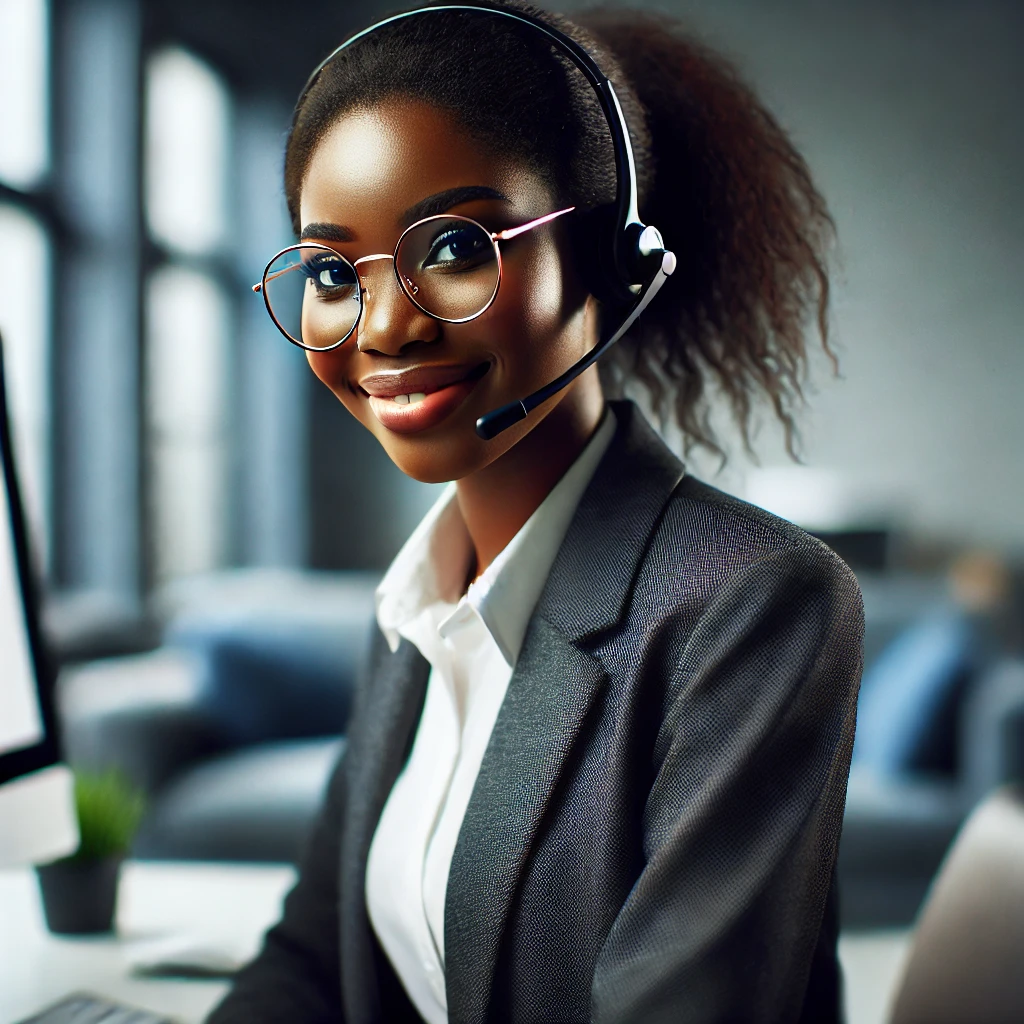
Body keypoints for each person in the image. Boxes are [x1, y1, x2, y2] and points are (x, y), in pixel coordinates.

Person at [208, 2, 864, 1021]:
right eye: (334, 271)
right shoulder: (419, 605)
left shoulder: (751, 605)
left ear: (613, 261)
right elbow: (310, 961)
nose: (382, 325)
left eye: (456, 248)